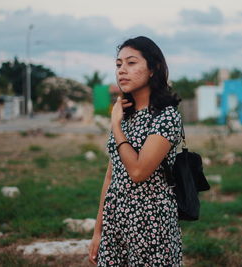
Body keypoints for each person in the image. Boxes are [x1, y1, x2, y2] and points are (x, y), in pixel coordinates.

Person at [88, 36, 183, 266]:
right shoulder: (125, 115)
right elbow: (111, 176)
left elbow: (138, 171)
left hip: (151, 227)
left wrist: (116, 127)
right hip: (115, 223)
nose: (122, 71)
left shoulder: (166, 116)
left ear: (153, 68)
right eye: (119, 64)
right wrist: (98, 230)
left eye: (131, 63)